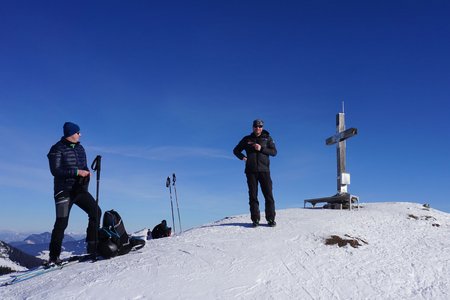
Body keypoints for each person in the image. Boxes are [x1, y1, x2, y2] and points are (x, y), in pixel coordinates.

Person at [47, 122, 102, 264]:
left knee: (96, 212)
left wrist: (87, 174)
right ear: (70, 134)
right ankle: (54, 257)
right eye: (78, 132)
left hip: (79, 190)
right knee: (61, 223)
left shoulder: (80, 148)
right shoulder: (56, 149)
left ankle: (93, 246)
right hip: (64, 191)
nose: (80, 134)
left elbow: (84, 166)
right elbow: (56, 171)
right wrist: (78, 172)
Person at [233, 119, 278, 227]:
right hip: (251, 171)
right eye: (256, 126)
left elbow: (274, 152)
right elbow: (236, 150)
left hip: (264, 171)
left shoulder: (267, 138)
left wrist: (261, 148)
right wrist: (243, 157)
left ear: (262, 127)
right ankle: (255, 220)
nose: (258, 128)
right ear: (253, 127)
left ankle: (270, 219)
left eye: (260, 126)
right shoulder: (247, 139)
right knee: (253, 196)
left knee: (268, 196)